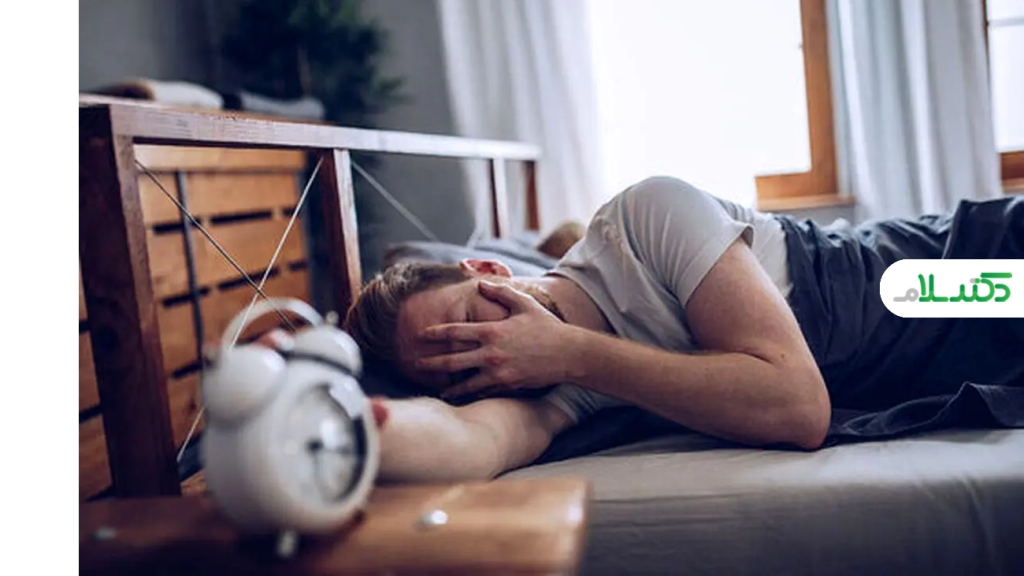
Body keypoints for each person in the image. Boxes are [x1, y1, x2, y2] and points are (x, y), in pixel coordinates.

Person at [336, 176, 1023, 484]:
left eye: (465, 323)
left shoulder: (641, 219)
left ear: (490, 269)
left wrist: (574, 352)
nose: (482, 352)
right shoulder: (551, 388)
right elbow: (467, 443)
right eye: (453, 368)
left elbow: (797, 403)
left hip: (942, 273)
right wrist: (343, 424)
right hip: (941, 360)